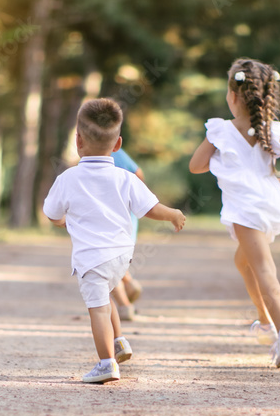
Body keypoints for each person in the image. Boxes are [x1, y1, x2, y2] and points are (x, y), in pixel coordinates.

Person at [44, 98, 186, 383]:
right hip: (121, 258)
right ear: (118, 144)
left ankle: (107, 363)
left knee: (97, 309)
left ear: (77, 141)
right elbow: (150, 209)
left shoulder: (67, 179)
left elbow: (52, 214)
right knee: (106, 297)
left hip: (91, 259)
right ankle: (119, 340)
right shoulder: (125, 177)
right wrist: (173, 214)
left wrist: (62, 221)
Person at [188, 58, 280, 368]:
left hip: (246, 209)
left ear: (233, 96)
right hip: (271, 202)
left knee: (263, 268)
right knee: (243, 261)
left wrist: (218, 150)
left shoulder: (221, 131)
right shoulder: (271, 130)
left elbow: (195, 166)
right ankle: (265, 321)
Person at [110, 148, 145, 321]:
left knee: (108, 265)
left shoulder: (105, 152)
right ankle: (129, 283)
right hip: (125, 219)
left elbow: (138, 174)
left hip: (112, 220)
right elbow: (138, 173)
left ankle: (124, 306)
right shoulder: (116, 151)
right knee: (115, 262)